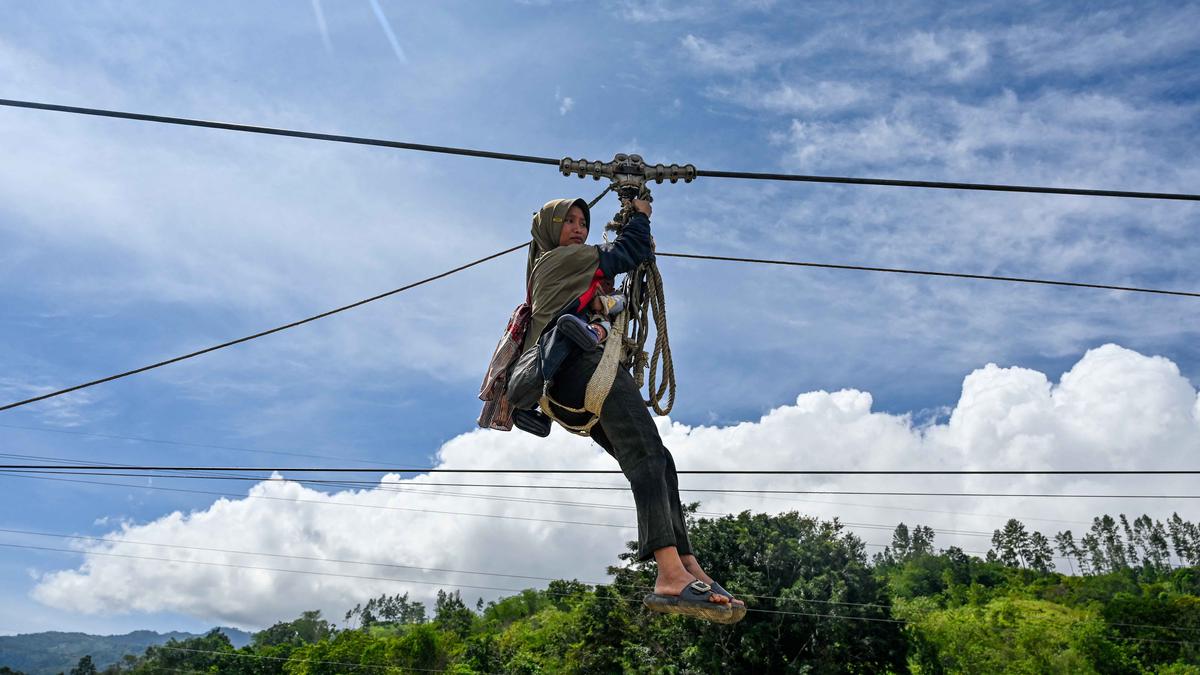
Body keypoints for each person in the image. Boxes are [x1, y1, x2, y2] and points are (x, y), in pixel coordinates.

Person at [520, 196, 745, 623]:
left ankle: (686, 563)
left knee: (659, 459)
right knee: (646, 453)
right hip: (583, 366)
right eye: (567, 221)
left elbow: (611, 272)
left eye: (583, 222)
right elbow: (629, 252)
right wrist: (639, 214)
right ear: (549, 228)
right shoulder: (563, 259)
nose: (578, 228)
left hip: (570, 379)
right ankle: (668, 576)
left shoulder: (570, 268)